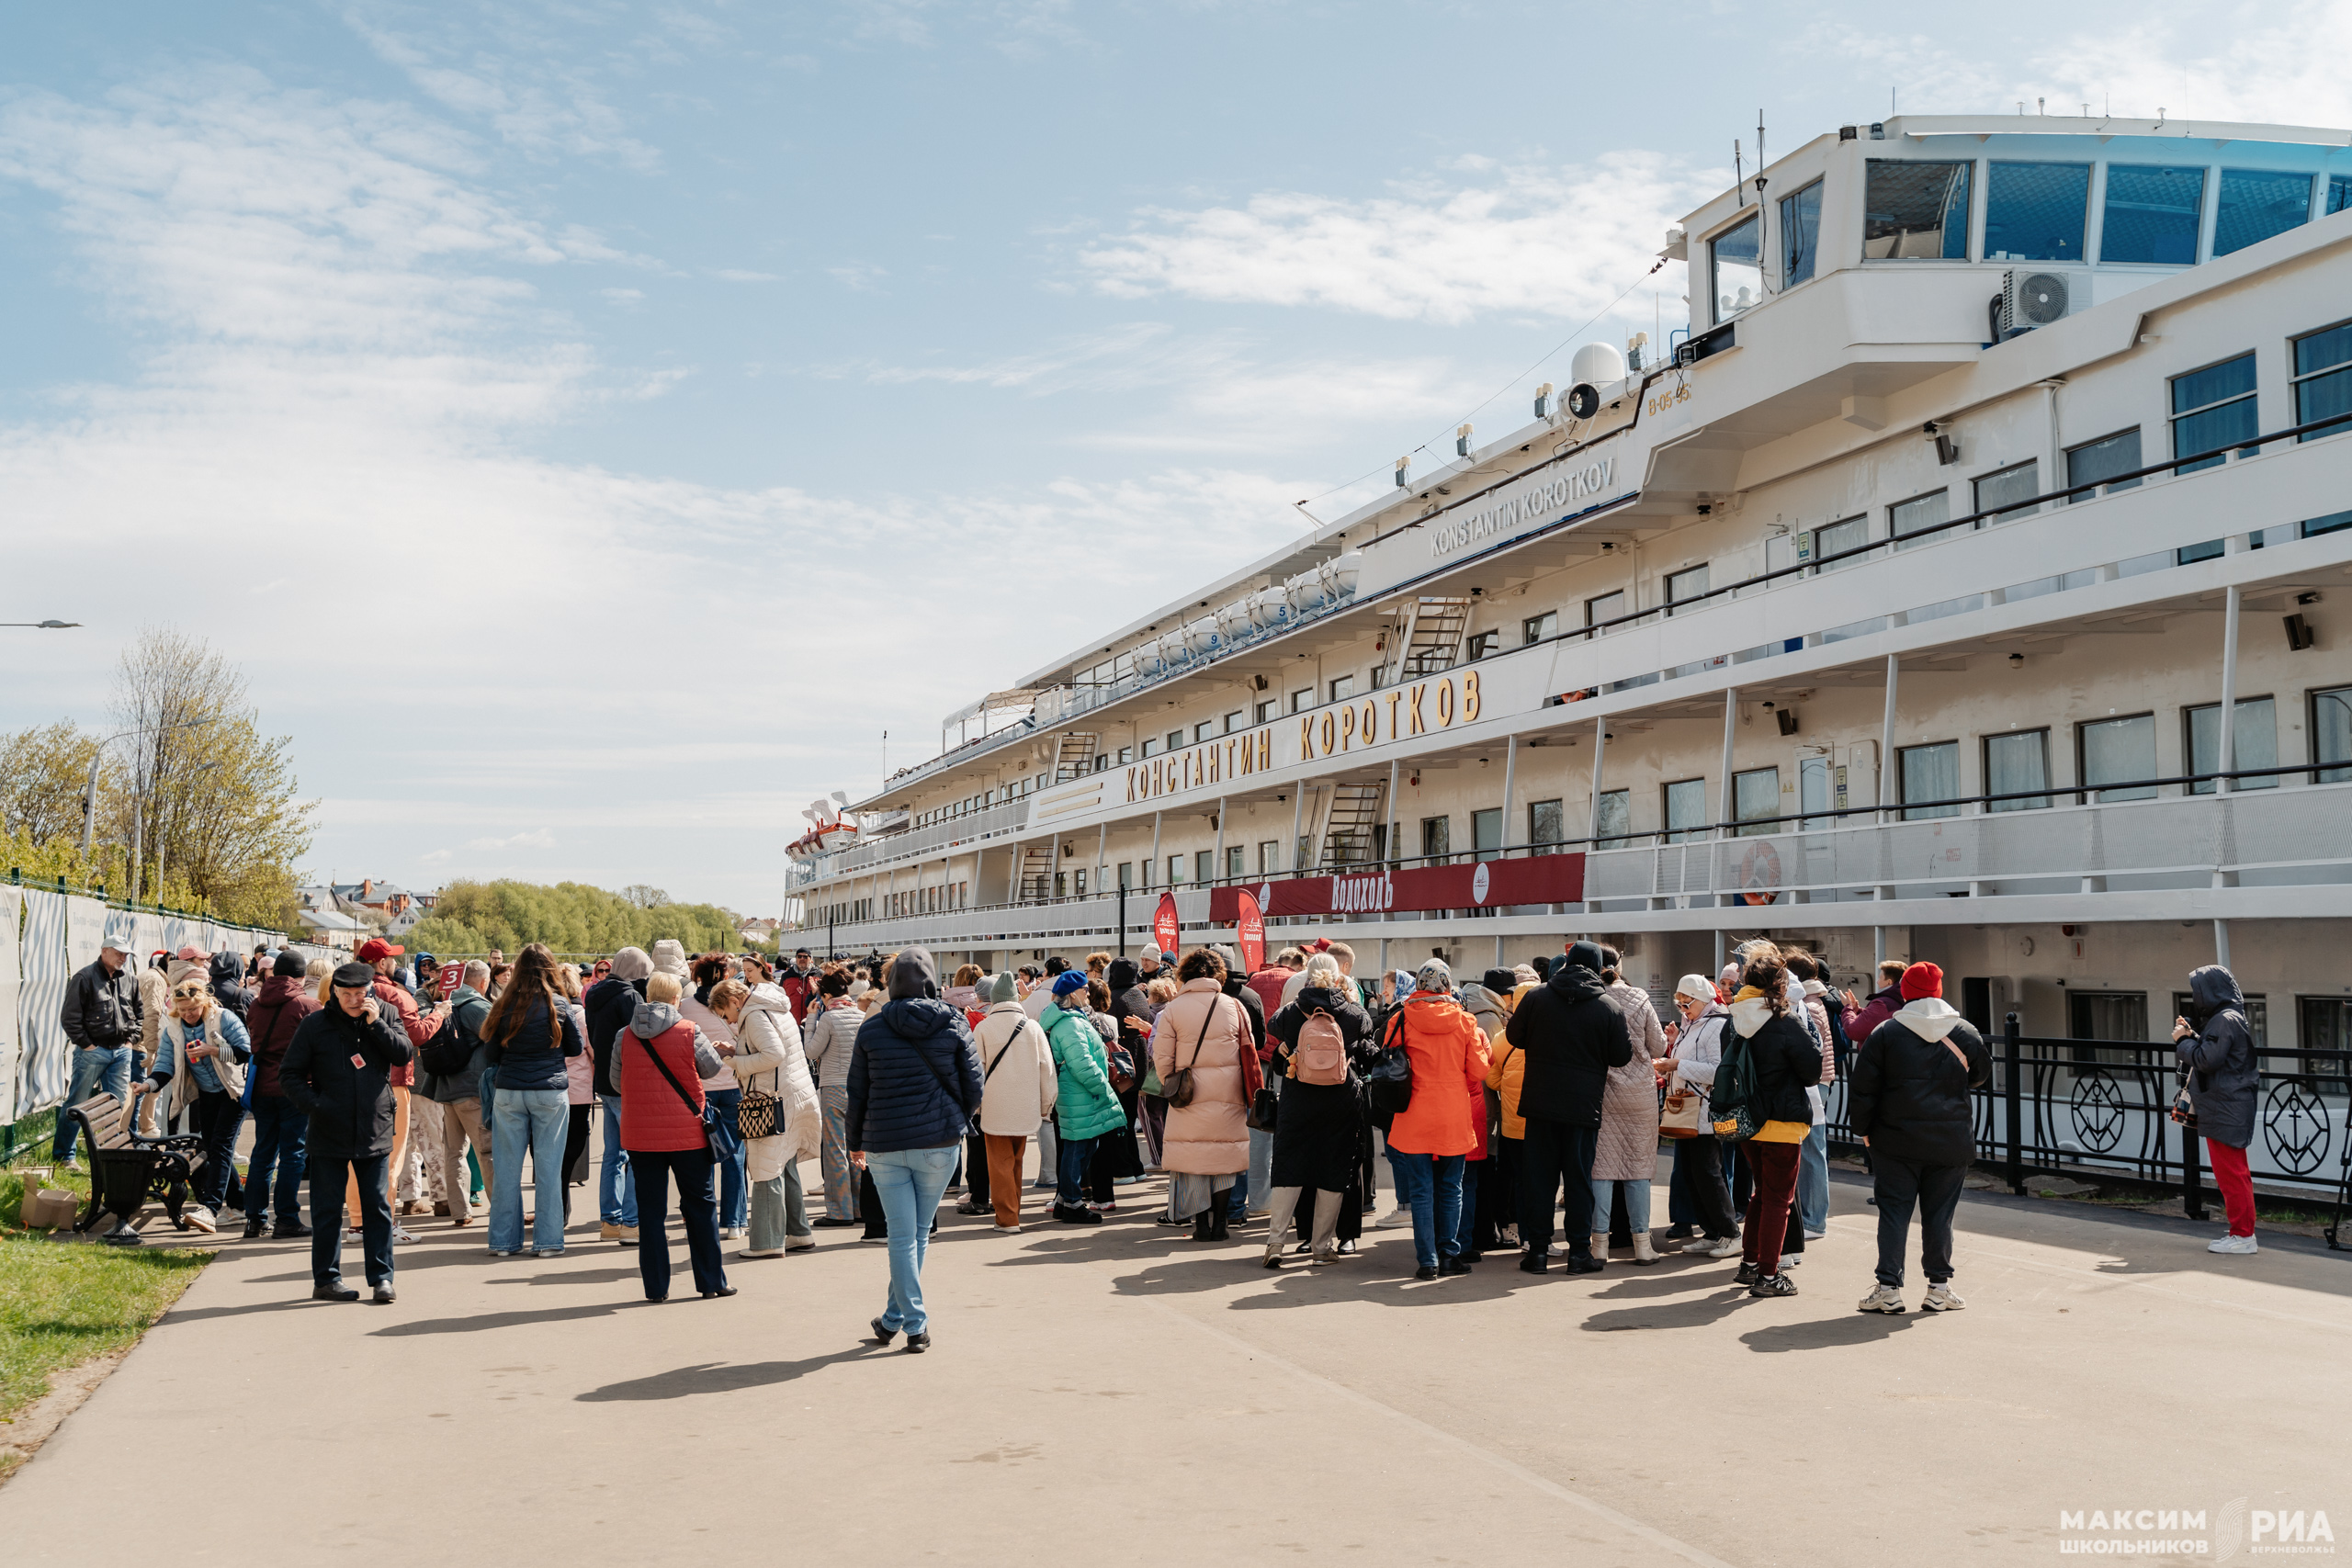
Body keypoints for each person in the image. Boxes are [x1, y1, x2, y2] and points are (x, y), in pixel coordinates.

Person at [848, 948, 980, 1352]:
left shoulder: (871, 1029)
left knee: (904, 1236)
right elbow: (974, 1085)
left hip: (886, 1142)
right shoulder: (954, 1023)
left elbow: (858, 1094)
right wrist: (957, 1115)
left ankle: (905, 1321)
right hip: (939, 1142)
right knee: (916, 1235)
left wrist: (854, 1143)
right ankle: (903, 1321)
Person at [1849, 962, 1991, 1311]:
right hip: (1950, 1139)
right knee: (1940, 1215)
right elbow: (1980, 1076)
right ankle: (1939, 1289)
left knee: (1894, 1212)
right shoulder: (1965, 1032)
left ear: (1907, 992)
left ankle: (1888, 1290)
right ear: (1939, 992)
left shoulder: (1885, 1032)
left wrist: (1863, 1130)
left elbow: (1864, 1088)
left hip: (1894, 1140)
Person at [280, 961, 413, 1303]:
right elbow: (290, 1074)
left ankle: (382, 1278)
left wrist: (377, 1025)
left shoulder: (385, 1012)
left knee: (378, 1208)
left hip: (374, 1126)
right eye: (347, 995)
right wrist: (316, 1105)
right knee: (326, 1209)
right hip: (329, 1130)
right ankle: (326, 1279)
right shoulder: (316, 1024)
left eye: (361, 994)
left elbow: (403, 1054)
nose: (355, 1000)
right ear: (334, 993)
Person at [1503, 940, 1629, 1276]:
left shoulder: (1537, 997)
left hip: (1540, 1104)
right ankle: (1578, 1254)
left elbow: (1514, 1036)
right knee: (1578, 1182)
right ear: (1599, 967)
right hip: (1583, 1108)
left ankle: (1539, 1253)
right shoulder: (1608, 1007)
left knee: (1540, 1181)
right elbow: (1621, 1057)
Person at [615, 971, 732, 1301]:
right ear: (676, 999)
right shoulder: (688, 1031)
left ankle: (655, 1288)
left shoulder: (624, 1035)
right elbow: (710, 1070)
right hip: (688, 1134)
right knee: (700, 1206)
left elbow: (613, 1081)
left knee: (650, 1212)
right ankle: (712, 1281)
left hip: (640, 1135)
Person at [1262, 953, 1377, 1267]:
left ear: (1307, 977)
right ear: (1338, 975)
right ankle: (1321, 1247)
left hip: (1297, 1098)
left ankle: (1275, 1243)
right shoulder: (1354, 1013)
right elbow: (1367, 1038)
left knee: (1289, 1168)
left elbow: (1272, 1027)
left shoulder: (1290, 1013)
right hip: (1341, 1101)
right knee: (1334, 1170)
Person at [1379, 960, 1491, 1280]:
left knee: (1421, 1190)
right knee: (1451, 1187)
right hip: (1453, 1114)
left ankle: (1426, 1261)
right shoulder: (1466, 1022)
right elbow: (1479, 1071)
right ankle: (1449, 1255)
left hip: (1414, 1114)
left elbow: (1390, 1061)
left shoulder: (1401, 1019)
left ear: (1419, 986)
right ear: (1446, 984)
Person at [1724, 947, 1822, 1299]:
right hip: (1782, 1120)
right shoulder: (1784, 1021)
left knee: (1761, 1193)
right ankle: (1768, 1274)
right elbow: (1812, 1072)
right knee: (1779, 1199)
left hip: (1747, 1119)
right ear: (1779, 984)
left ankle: (1750, 1264)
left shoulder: (1732, 1018)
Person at [131, 960, 253, 1232]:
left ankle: (209, 1208)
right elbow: (164, 1065)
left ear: (205, 1002)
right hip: (206, 1094)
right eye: (183, 1010)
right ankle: (239, 1206)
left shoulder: (223, 1018)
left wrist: (213, 1050)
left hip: (233, 1093)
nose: (188, 1014)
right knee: (213, 1147)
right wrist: (148, 1085)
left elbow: (245, 1051)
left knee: (220, 1146)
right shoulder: (173, 1029)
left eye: (193, 1009)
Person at [481, 944, 584, 1259]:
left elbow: (490, 1054)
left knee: (507, 1171)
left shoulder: (503, 1004)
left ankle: (502, 1243)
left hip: (509, 1090)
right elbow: (575, 1048)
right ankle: (548, 1242)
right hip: (550, 1091)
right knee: (550, 1170)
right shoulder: (560, 1005)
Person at [712, 975, 820, 1258]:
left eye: (728, 1014)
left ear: (736, 1001)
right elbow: (772, 1051)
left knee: (765, 1167)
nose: (731, 1022)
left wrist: (734, 1061)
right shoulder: (771, 1007)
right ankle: (799, 1233)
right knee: (785, 1165)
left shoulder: (756, 1015)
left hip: (770, 1100)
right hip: (791, 1095)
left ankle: (768, 1242)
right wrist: (736, 1049)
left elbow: (773, 1054)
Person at [1149, 948, 1252, 1241]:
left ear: (1185, 974)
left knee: (1194, 1160)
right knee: (1222, 1158)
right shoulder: (1233, 1006)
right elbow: (1249, 1049)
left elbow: (1162, 1055)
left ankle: (1201, 1227)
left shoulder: (1174, 1009)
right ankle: (1221, 1224)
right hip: (1229, 1092)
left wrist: (1171, 1082)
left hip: (1188, 1091)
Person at [2174, 963, 2261, 1257]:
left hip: (2227, 1106)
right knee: (2234, 1173)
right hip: (2229, 1105)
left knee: (2232, 1174)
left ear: (2209, 992)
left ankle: (2243, 1235)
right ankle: (2241, 1232)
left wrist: (2183, 1041)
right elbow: (2214, 1052)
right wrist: (2194, 1036)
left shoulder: (2224, 1020)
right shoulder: (2229, 1017)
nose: (2195, 997)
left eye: (2198, 991)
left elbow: (2207, 1060)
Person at [1657, 975, 1742, 1258]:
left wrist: (1678, 1064)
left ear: (1703, 1000)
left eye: (1687, 1003)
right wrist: (1673, 1050)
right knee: (1695, 1175)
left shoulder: (1715, 1024)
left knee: (1708, 1173)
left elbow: (1719, 1070)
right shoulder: (1692, 1024)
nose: (1683, 1009)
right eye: (1679, 1004)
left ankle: (1730, 1233)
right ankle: (1713, 1231)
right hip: (1689, 1111)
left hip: (1704, 1111)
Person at [1591, 948, 1665, 1266]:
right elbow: (1658, 1046)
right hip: (1640, 1096)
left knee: (1602, 1170)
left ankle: (1600, 1246)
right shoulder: (1639, 998)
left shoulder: (1592, 1000)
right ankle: (1642, 1245)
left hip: (1602, 1094)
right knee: (1638, 1170)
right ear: (1620, 967)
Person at [241, 948, 319, 1239]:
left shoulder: (255, 1004)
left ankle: (255, 1219)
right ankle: (286, 1218)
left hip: (262, 1086)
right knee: (292, 1155)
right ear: (301, 975)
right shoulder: (307, 1005)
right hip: (294, 1087)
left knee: (262, 1153)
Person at [971, 973, 1056, 1233]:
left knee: (999, 1164)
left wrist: (976, 1106)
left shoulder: (983, 1027)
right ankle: (1012, 1212)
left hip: (995, 1107)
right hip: (1026, 1105)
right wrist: (1046, 1105)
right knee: (1016, 1162)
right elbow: (1047, 1070)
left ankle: (1007, 1218)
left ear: (995, 1000)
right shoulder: (1032, 1027)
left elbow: (976, 1072)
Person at [54, 925, 143, 1168]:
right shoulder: (84, 978)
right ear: (104, 951)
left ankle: (113, 1157)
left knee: (117, 1105)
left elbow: (139, 1014)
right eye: (119, 953)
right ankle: (65, 1156)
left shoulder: (130, 980)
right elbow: (69, 1018)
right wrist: (88, 1045)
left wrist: (129, 1041)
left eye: (126, 955)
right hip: (93, 1052)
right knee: (77, 1103)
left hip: (121, 1052)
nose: (123, 958)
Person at [420, 959, 496, 1227]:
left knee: (453, 1153)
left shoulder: (445, 1005)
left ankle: (460, 1212)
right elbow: (498, 1039)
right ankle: (502, 1209)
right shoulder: (477, 1006)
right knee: (487, 1152)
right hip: (473, 1091)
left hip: (446, 1089)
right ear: (484, 982)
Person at [678, 950, 748, 1241]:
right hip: (733, 1082)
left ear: (696, 976)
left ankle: (704, 1217)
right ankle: (734, 1221)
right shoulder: (738, 1005)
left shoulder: (684, 1007)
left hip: (700, 1088)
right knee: (735, 1154)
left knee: (702, 1154)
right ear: (727, 975)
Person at [1044, 969, 1123, 1224]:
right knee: (1078, 1149)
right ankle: (1072, 1203)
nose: (1087, 993)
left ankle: (1065, 1201)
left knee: (1082, 1147)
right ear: (1072, 995)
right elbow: (1082, 1062)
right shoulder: (1069, 1023)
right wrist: (1102, 1086)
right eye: (1083, 989)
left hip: (1080, 1093)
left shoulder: (1069, 1018)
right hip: (1082, 1093)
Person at [585, 947, 650, 1243]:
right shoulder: (630, 997)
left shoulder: (594, 995)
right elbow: (639, 1038)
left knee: (613, 1153)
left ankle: (609, 1222)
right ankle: (632, 1222)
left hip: (604, 1081)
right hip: (626, 1082)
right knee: (636, 1154)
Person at [803, 964, 865, 1226]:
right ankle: (861, 1207)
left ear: (826, 996)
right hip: (859, 1088)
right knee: (858, 1149)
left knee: (835, 1149)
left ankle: (840, 1211)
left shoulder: (828, 1018)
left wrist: (810, 1022)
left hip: (833, 1087)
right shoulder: (862, 1016)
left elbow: (812, 1052)